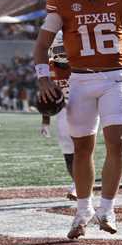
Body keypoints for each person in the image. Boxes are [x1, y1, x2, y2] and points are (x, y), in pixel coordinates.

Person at [33, 0, 122, 239]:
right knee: (82, 149)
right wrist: (43, 78)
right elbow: (42, 44)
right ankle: (83, 209)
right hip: (80, 81)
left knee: (117, 142)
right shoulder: (62, 2)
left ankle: (107, 208)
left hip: (115, 78)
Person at [39, 31, 76, 200]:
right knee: (68, 154)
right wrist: (45, 121)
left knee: (83, 149)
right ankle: (77, 183)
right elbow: (46, 98)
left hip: (86, 107)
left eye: (65, 48)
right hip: (63, 111)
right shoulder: (48, 68)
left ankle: (79, 187)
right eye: (58, 48)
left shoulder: (81, 65)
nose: (61, 52)